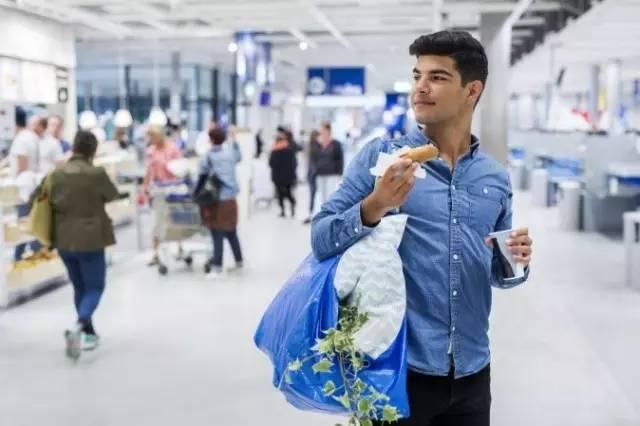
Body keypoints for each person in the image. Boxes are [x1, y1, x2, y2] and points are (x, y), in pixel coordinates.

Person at [311, 31, 534, 426]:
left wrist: (515, 260)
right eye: (417, 76)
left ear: (472, 90)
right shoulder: (382, 158)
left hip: (472, 373)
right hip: (395, 372)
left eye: (438, 77)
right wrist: (375, 205)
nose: (420, 88)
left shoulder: (494, 178)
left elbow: (500, 275)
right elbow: (321, 236)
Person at [50, 130, 126, 358]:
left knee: (79, 287)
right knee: (94, 287)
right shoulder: (96, 174)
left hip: (63, 238)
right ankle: (79, 325)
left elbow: (47, 199)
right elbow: (112, 195)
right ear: (93, 150)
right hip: (91, 238)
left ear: (73, 147)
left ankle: (88, 334)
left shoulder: (57, 174)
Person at [194, 127, 243, 279]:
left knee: (217, 232)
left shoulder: (208, 156)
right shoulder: (230, 153)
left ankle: (217, 267)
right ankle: (239, 261)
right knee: (231, 231)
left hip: (218, 200)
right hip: (232, 199)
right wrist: (234, 140)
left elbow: (202, 176)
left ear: (210, 139)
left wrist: (196, 194)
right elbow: (239, 156)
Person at [142, 126, 182, 266]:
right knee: (158, 222)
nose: (151, 140)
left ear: (159, 136)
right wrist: (145, 188)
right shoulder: (151, 151)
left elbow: (180, 168)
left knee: (177, 220)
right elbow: (149, 171)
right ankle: (155, 253)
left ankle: (180, 247)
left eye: (152, 137)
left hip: (174, 188)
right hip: (159, 190)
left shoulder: (173, 149)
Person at [10, 112, 46, 262]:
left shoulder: (22, 139)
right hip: (32, 186)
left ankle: (21, 260)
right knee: (31, 223)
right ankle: (35, 257)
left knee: (23, 225)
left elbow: (22, 165)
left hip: (24, 188)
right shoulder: (31, 138)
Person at [311, 121, 344, 209]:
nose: (321, 131)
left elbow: (340, 159)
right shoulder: (317, 143)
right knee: (322, 196)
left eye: (322, 129)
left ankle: (329, 214)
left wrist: (340, 173)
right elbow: (313, 157)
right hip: (320, 173)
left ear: (328, 130)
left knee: (329, 196)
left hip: (332, 174)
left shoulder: (336, 144)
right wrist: (314, 169)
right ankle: (324, 214)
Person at [269, 134, 297, 218]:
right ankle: (292, 205)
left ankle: (283, 211)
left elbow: (270, 163)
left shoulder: (274, 151)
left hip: (278, 176)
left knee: (280, 194)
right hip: (288, 176)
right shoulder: (289, 150)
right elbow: (294, 163)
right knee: (288, 193)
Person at [303, 130, 320, 225]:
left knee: (313, 195)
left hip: (311, 174)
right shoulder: (315, 146)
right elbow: (313, 163)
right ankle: (312, 214)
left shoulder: (310, 146)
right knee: (315, 194)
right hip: (314, 174)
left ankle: (311, 213)